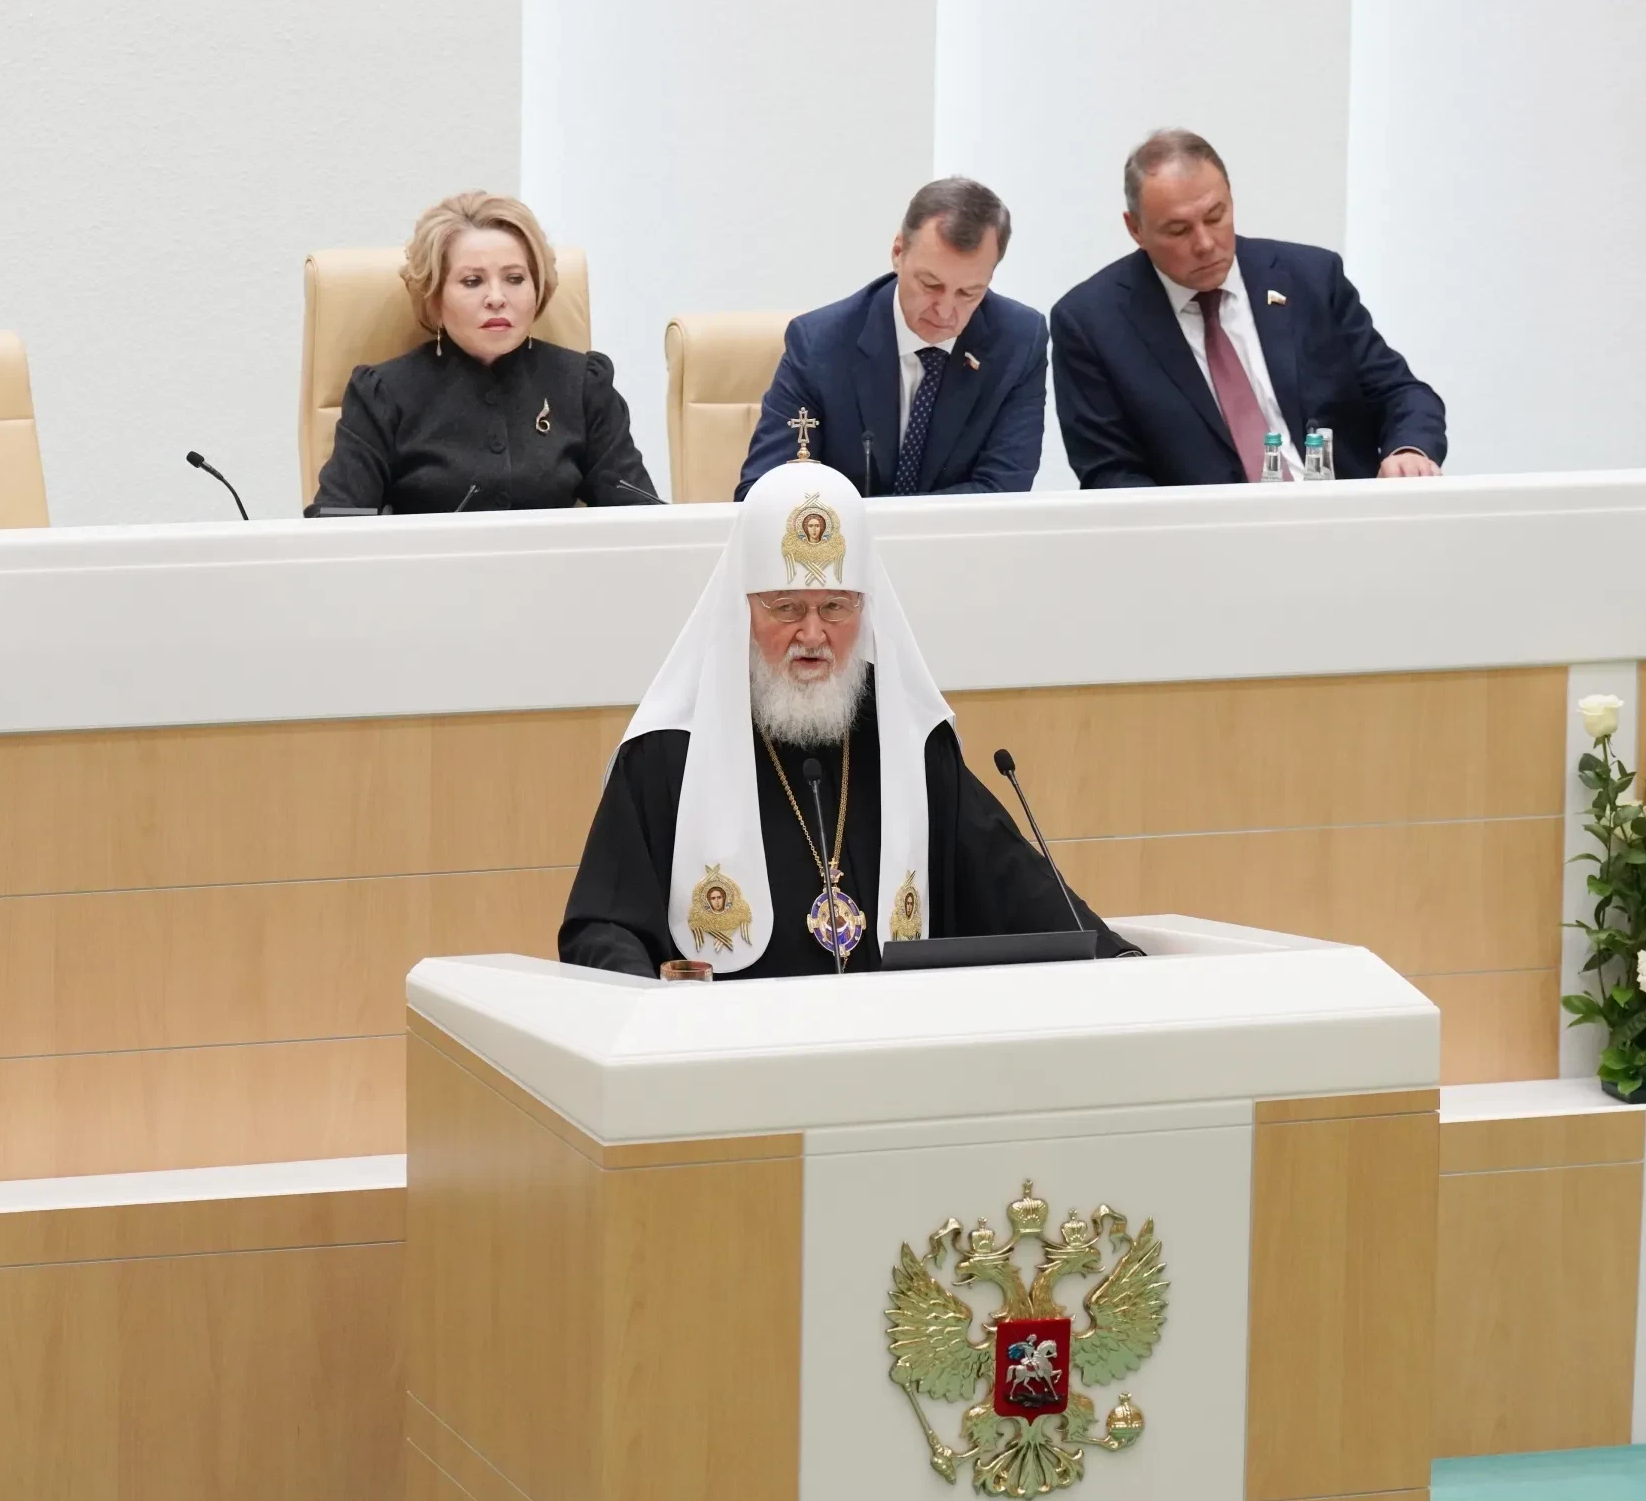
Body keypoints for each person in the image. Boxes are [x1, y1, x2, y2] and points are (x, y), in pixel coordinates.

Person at [561, 438, 1139, 978]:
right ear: (744, 610)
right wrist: (660, 1013)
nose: (813, 635)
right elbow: (601, 927)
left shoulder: (907, 736)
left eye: (835, 607)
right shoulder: (670, 750)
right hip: (733, 1042)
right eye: (787, 608)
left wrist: (1118, 961)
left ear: (865, 610)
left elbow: (1013, 884)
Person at [1051, 130, 1446, 489]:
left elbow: (1401, 392)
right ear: (1135, 228)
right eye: (1178, 230)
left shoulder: (1310, 279)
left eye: (1215, 217)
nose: (1205, 243)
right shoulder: (1092, 323)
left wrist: (1408, 451)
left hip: (1338, 518)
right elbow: (1109, 472)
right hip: (1202, 535)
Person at [309, 191, 656, 515]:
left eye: (515, 279)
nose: (496, 298)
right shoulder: (383, 396)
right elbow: (338, 524)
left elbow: (642, 517)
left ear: (538, 288)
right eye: (472, 281)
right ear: (434, 297)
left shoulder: (582, 386)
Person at [735, 177, 1046, 501]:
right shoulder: (819, 344)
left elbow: (1003, 492)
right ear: (898, 252)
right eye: (930, 284)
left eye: (969, 293)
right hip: (839, 535)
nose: (945, 311)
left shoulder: (1019, 342)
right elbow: (763, 494)